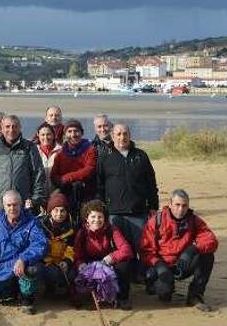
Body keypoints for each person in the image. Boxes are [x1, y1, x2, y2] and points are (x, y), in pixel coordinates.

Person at [140, 189, 219, 311]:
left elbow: (211, 240)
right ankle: (158, 286)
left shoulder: (194, 220)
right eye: (177, 205)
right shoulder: (156, 221)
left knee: (207, 256)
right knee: (164, 293)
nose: (181, 209)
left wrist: (192, 249)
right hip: (162, 266)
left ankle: (195, 295)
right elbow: (146, 251)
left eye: (184, 205)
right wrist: (159, 265)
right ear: (170, 204)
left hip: (183, 263)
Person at [96, 123, 158, 269]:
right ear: (112, 136)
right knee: (119, 249)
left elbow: (151, 182)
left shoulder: (140, 156)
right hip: (114, 213)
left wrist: (154, 206)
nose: (122, 137)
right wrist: (102, 209)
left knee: (142, 248)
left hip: (138, 212)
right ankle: (124, 278)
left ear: (130, 136)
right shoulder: (105, 157)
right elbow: (99, 184)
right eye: (118, 134)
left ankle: (145, 277)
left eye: (125, 134)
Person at [0, 191, 47, 315]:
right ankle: (14, 290)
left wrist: (23, 259)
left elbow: (40, 244)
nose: (12, 208)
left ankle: (27, 298)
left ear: (21, 205)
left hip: (22, 267)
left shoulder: (31, 222)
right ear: (4, 206)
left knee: (32, 270)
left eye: (15, 205)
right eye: (8, 205)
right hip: (2, 269)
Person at [73, 199, 134, 310]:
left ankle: (122, 298)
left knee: (124, 266)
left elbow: (126, 249)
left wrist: (110, 258)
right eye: (93, 217)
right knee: (74, 272)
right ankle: (80, 296)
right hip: (88, 264)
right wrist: (82, 266)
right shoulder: (82, 233)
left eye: (100, 217)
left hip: (107, 263)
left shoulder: (111, 230)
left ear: (105, 218)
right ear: (87, 218)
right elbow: (77, 255)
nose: (97, 220)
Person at [0, 115, 46, 213]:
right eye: (7, 126)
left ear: (20, 128)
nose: (11, 130)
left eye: (15, 126)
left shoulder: (29, 147)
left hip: (23, 204)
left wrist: (36, 199)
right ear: (2, 128)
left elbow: (38, 174)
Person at [50, 119, 96, 222]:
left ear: (82, 133)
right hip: (66, 194)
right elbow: (54, 175)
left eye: (76, 131)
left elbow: (89, 169)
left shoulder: (90, 149)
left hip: (85, 194)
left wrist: (67, 178)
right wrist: (61, 181)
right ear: (65, 134)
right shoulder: (61, 153)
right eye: (69, 131)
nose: (73, 134)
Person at [38, 193, 76, 300]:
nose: (59, 214)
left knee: (72, 273)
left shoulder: (71, 226)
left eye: (62, 210)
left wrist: (67, 261)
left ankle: (68, 290)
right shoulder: (41, 225)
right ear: (50, 211)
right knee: (49, 272)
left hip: (62, 260)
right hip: (46, 261)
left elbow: (71, 248)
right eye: (56, 210)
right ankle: (49, 289)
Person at [35, 123, 62, 195]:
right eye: (43, 135)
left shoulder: (61, 151)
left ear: (54, 135)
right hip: (38, 195)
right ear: (38, 135)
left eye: (48, 134)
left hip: (57, 194)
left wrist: (59, 190)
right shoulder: (33, 152)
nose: (46, 137)